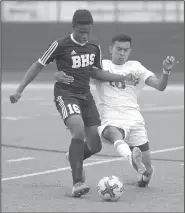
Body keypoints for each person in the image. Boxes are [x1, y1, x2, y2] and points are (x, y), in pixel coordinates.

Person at [9, 10, 138, 197]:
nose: (85, 36)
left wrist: (122, 77)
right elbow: (38, 65)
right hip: (65, 94)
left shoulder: (94, 46)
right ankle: (78, 182)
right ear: (73, 27)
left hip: (85, 96)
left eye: (88, 31)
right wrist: (19, 90)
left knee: (95, 145)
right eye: (81, 32)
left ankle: (73, 157)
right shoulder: (60, 44)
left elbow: (96, 72)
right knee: (77, 129)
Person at [55, 33, 178, 187]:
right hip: (109, 118)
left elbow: (160, 86)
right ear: (110, 48)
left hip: (134, 120)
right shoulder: (101, 66)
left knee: (146, 170)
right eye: (119, 49)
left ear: (130, 51)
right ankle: (131, 158)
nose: (122, 53)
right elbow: (76, 75)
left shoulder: (136, 67)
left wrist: (166, 71)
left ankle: (145, 174)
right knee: (112, 132)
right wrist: (58, 74)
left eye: (126, 50)